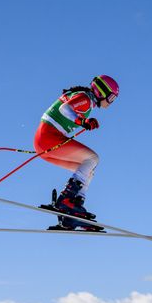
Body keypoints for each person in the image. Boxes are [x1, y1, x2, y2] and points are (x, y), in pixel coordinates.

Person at [36, 75, 119, 229]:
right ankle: (66, 199)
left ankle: (75, 210)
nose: (112, 102)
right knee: (92, 159)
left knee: (88, 170)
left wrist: (83, 121)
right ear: (102, 92)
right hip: (48, 138)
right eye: (112, 98)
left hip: (47, 141)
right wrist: (82, 121)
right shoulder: (86, 98)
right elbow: (65, 108)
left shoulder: (87, 101)